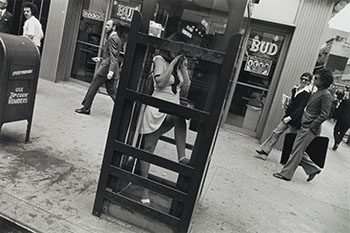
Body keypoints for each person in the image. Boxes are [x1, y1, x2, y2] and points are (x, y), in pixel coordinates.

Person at [138, 35, 191, 204]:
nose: (178, 51)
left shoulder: (179, 65)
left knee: (180, 116)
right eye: (177, 47)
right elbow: (160, 83)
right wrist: (173, 64)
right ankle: (143, 189)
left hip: (171, 108)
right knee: (148, 148)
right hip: (156, 108)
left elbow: (187, 86)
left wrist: (183, 68)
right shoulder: (159, 59)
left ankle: (182, 157)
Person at [273, 68, 333, 182]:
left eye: (316, 78)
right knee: (297, 149)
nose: (313, 80)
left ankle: (286, 174)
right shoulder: (318, 92)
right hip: (305, 126)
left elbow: (325, 114)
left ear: (323, 81)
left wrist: (312, 126)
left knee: (296, 151)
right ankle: (313, 169)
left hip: (309, 128)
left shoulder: (326, 95)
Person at [255, 72, 313, 160]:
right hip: (288, 116)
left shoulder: (307, 93)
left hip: (295, 118)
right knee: (276, 132)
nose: (303, 81)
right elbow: (293, 103)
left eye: (306, 80)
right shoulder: (296, 89)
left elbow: (301, 108)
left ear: (309, 82)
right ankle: (265, 151)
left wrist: (290, 117)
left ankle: (290, 159)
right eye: (302, 79)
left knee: (292, 139)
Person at [75, 19, 121, 115]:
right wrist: (100, 59)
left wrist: (110, 71)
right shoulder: (115, 38)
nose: (105, 27)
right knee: (112, 91)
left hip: (105, 69)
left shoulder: (113, 38)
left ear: (114, 27)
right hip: (108, 67)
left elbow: (113, 56)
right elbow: (111, 55)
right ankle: (123, 109)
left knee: (93, 87)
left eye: (108, 25)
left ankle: (86, 108)